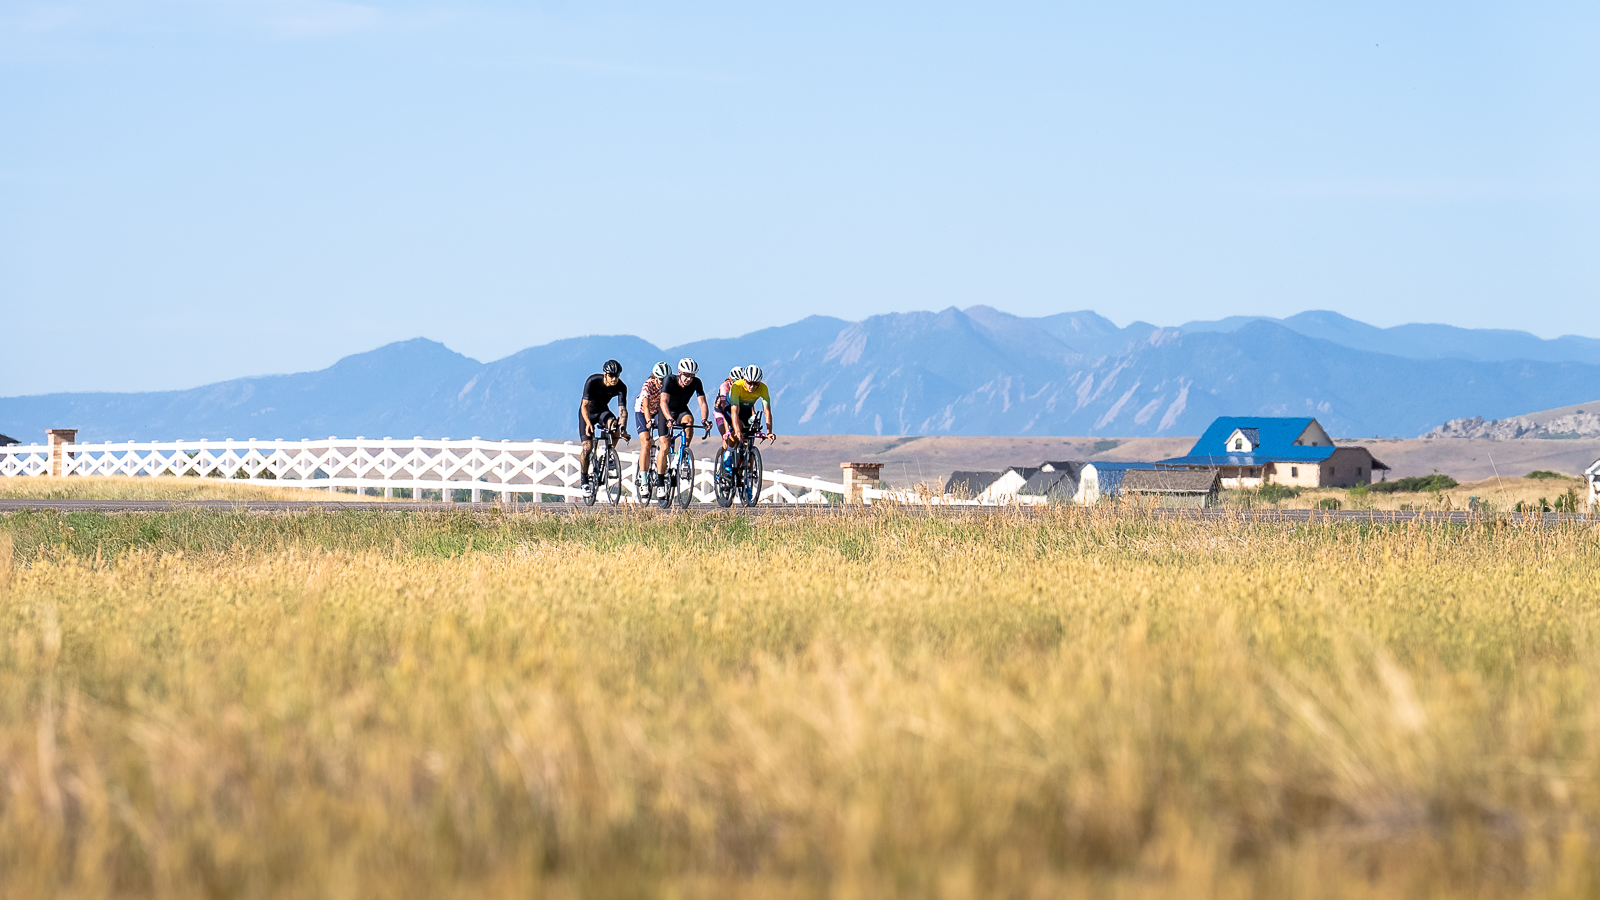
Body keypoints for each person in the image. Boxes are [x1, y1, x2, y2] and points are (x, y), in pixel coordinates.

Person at [656, 357, 709, 482]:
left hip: (681, 410)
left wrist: (704, 420)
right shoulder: (669, 380)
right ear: (680, 372)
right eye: (686, 375)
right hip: (666, 411)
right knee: (665, 446)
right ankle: (659, 481)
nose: (689, 379)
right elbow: (663, 402)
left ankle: (683, 454)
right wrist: (669, 418)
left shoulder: (696, 382)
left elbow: (702, 403)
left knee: (689, 420)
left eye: (692, 376)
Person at [578, 359, 628, 489]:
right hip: (587, 413)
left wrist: (623, 429)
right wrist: (588, 423)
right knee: (587, 448)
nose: (614, 379)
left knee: (614, 425)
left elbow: (622, 411)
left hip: (602, 412)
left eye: (617, 376)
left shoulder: (621, 387)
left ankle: (609, 453)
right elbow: (584, 405)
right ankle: (584, 480)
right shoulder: (592, 381)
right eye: (611, 376)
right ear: (605, 374)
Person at [633, 361, 672, 492]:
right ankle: (644, 481)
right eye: (661, 380)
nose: (663, 382)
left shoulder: (669, 384)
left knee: (666, 439)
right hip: (643, 410)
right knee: (646, 443)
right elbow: (645, 404)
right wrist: (649, 421)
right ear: (655, 377)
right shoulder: (648, 385)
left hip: (658, 411)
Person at [727, 364, 776, 450]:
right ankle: (729, 451)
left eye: (756, 383)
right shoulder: (737, 386)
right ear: (744, 380)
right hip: (731, 408)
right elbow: (734, 411)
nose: (752, 386)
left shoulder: (763, 388)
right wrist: (738, 430)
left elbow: (767, 412)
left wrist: (769, 432)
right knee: (739, 427)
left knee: (752, 431)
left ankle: (748, 458)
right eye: (749, 383)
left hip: (747, 409)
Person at [713, 366, 740, 445]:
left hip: (734, 410)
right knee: (726, 437)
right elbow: (723, 404)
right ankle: (726, 454)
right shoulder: (725, 386)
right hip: (720, 412)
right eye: (735, 381)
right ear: (731, 379)